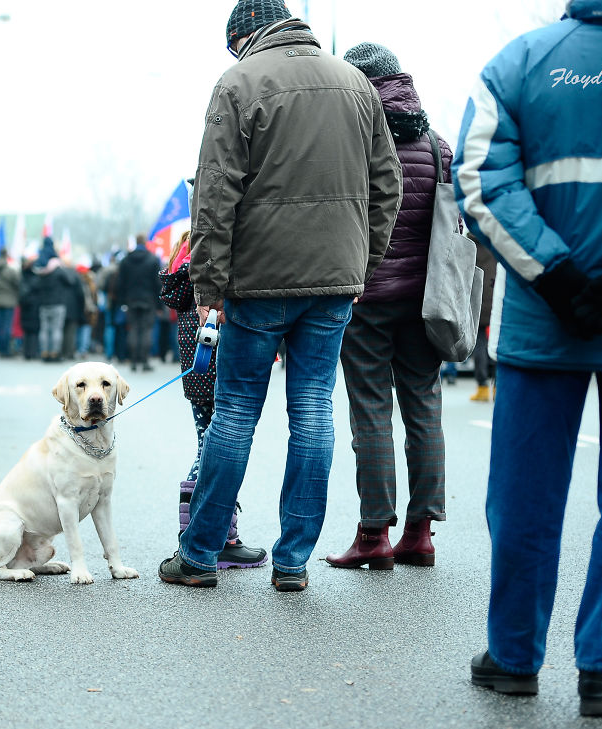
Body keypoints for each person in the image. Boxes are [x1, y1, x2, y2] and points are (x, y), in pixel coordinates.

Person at [453, 0, 602, 716]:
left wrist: (556, 276)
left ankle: (513, 656)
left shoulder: (520, 60)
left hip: (544, 328)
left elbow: (480, 179)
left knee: (524, 497)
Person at [158, 0, 402, 591]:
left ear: (244, 35)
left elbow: (214, 193)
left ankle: (200, 554)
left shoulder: (238, 82)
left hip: (258, 280)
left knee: (236, 411)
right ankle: (293, 561)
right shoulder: (355, 83)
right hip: (333, 281)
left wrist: (208, 285)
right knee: (314, 411)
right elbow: (386, 182)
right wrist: (361, 263)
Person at [326, 43, 449, 570]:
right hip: (426, 299)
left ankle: (374, 533)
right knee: (424, 407)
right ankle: (420, 533)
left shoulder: (353, 137)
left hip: (367, 295)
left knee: (371, 412)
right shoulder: (436, 143)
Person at [160, 230, 267, 569]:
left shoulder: (185, 257)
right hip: (215, 363)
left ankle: (210, 535)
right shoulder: (213, 259)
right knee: (216, 447)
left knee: (207, 443)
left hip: (198, 366)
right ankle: (214, 538)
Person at [117, 234, 161, 371]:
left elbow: (121, 283)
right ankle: (145, 360)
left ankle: (134, 361)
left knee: (134, 330)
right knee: (147, 330)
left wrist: (122, 301)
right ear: (145, 243)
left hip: (131, 300)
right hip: (148, 300)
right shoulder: (153, 259)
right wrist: (159, 304)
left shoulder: (125, 260)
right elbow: (157, 284)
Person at [468, 232, 497, 402]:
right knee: (497, 344)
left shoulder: (472, 245)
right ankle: (497, 388)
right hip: (495, 300)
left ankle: (482, 386)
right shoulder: (495, 241)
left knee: (479, 344)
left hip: (477, 301)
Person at [33, 236, 70, 362]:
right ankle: (55, 353)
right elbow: (69, 281)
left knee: (44, 329)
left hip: (43, 303)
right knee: (56, 330)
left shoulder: (39, 265)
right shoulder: (58, 268)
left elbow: (35, 285)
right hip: (58, 303)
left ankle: (44, 352)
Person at [0, 249, 20, 357]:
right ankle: (5, 350)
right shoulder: (10, 270)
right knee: (6, 327)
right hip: (9, 301)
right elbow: (17, 283)